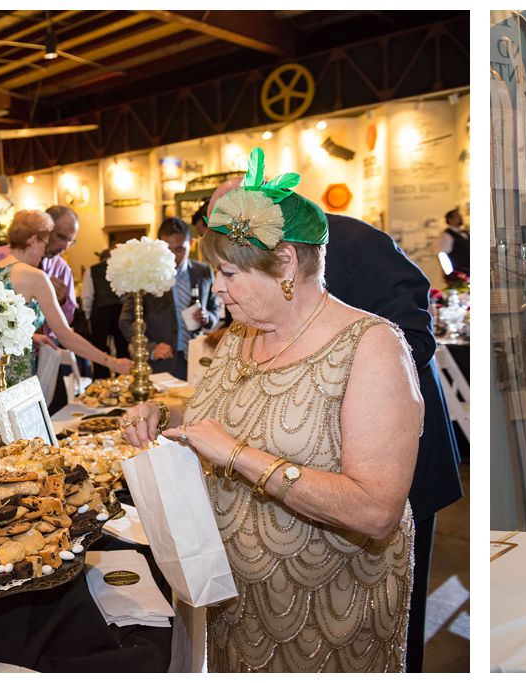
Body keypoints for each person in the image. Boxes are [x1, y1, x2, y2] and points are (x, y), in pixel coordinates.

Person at [119, 152, 419, 672]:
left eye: (229, 273)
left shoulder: (371, 347)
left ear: (285, 264)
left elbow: (376, 511)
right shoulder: (242, 333)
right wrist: (166, 417)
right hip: (234, 600)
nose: (218, 289)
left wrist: (236, 456)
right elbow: (235, 409)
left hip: (327, 609)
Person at [0, 210, 132, 444]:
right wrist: (111, 361)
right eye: (45, 243)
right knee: (19, 447)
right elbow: (65, 335)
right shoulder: (35, 276)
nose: (46, 251)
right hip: (17, 376)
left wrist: (31, 336)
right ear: (33, 239)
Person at [122, 217, 218, 382]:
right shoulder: (145, 275)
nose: (173, 257)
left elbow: (215, 310)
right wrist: (151, 347)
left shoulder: (203, 272)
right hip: (161, 363)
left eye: (180, 249)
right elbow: (126, 321)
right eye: (168, 250)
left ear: (191, 243)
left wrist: (207, 317)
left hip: (198, 359)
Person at [79, 247, 125, 379]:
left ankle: (101, 380)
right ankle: (123, 378)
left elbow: (87, 296)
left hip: (100, 313)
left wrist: (88, 317)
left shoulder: (92, 270)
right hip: (120, 311)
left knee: (100, 350)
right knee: (122, 348)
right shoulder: (122, 269)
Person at [438, 207, 470, 284]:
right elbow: (443, 255)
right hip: (459, 273)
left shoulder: (465, 232)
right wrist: (449, 273)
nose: (460, 218)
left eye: (460, 216)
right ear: (450, 219)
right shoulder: (446, 235)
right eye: (457, 216)